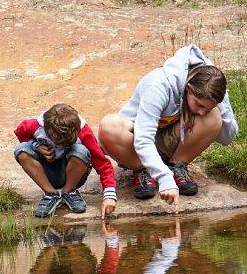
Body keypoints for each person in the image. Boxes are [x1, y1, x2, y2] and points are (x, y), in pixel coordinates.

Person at [99, 44, 238, 210]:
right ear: (188, 88)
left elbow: (227, 137)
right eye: (199, 105)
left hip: (170, 141)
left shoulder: (211, 84)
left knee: (214, 118)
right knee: (108, 126)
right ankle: (143, 169)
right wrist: (164, 180)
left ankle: (175, 166)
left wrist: (221, 105)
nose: (202, 112)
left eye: (206, 107)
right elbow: (143, 138)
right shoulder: (159, 85)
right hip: (137, 141)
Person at [14, 103, 118, 219]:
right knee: (21, 150)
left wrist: (109, 196)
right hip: (47, 173)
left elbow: (103, 164)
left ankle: (69, 191)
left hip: (73, 174)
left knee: (80, 151)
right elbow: (20, 133)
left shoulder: (84, 132)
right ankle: (50, 193)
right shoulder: (35, 126)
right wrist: (36, 145)